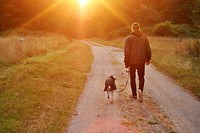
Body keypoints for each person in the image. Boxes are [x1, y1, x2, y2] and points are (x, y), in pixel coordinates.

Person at [124, 22, 151, 101]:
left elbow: (127, 52)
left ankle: (134, 95)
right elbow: (148, 50)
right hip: (141, 61)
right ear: (139, 28)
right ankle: (140, 90)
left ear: (132, 29)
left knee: (133, 78)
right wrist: (148, 59)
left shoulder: (128, 38)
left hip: (132, 62)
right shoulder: (144, 38)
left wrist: (126, 63)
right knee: (141, 77)